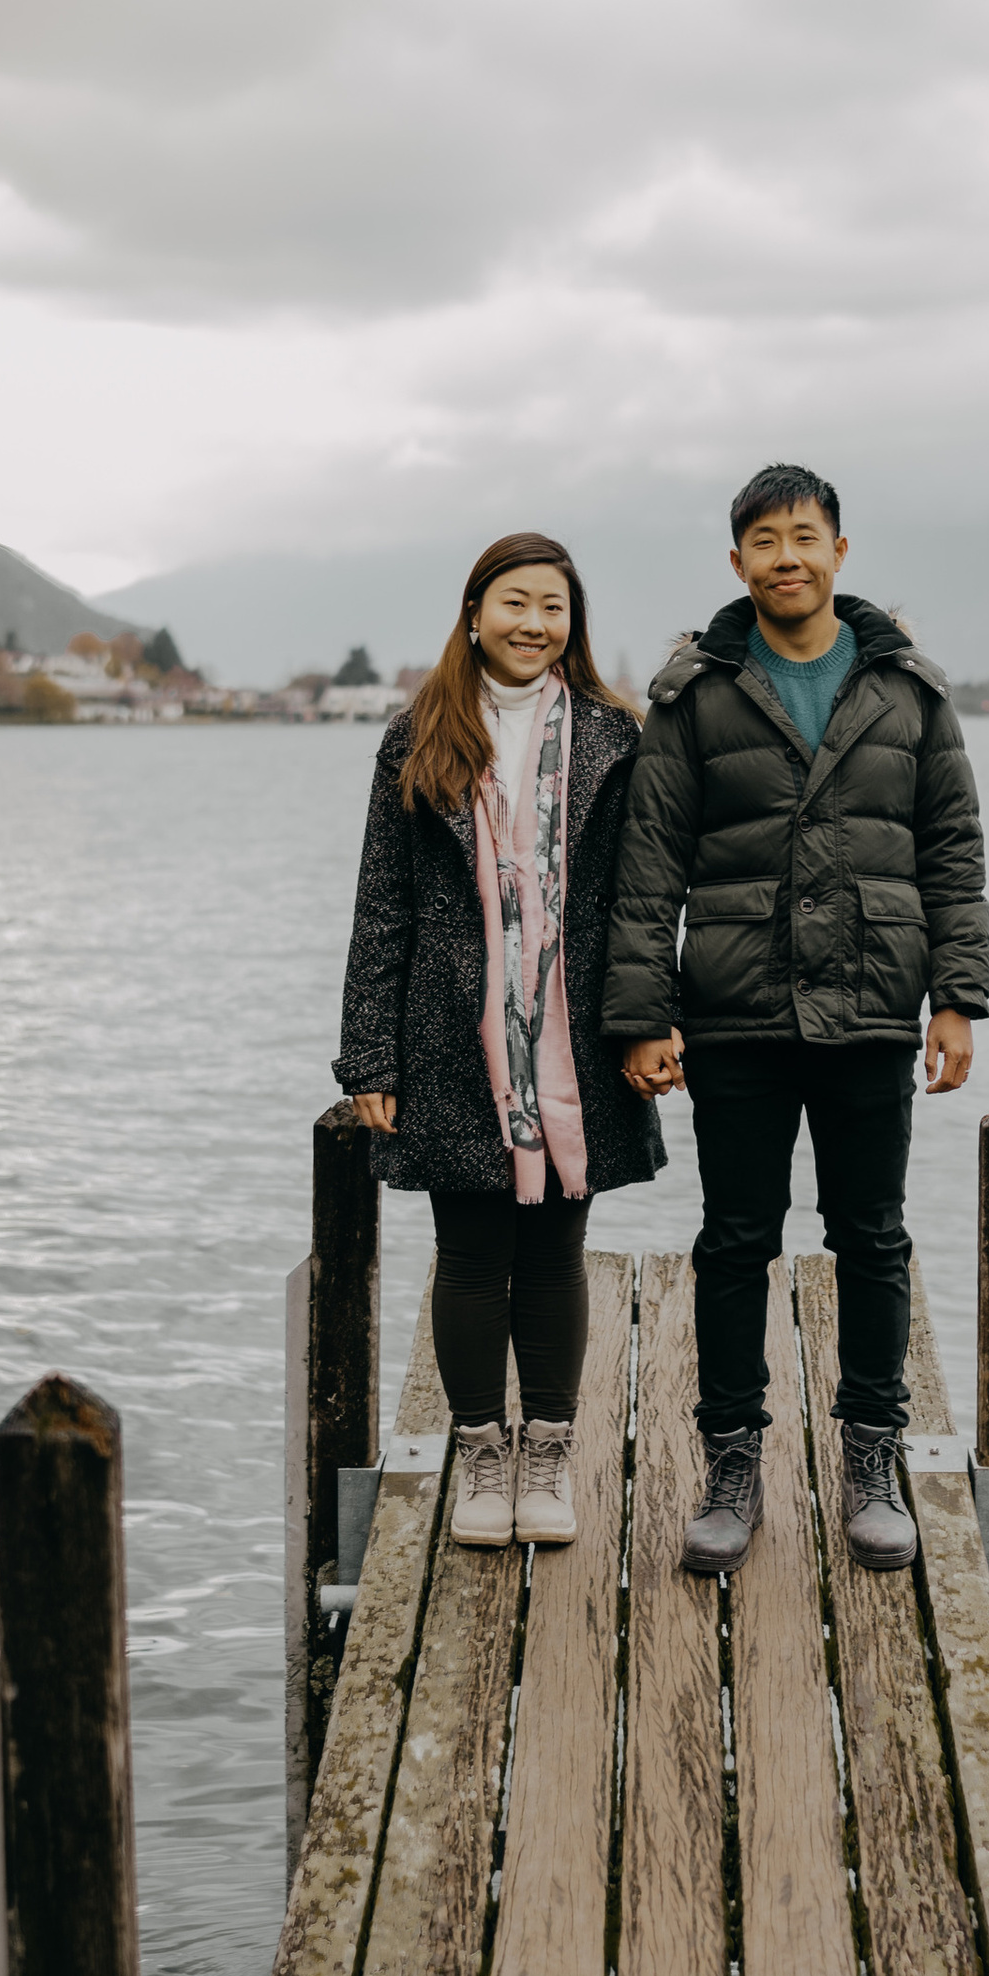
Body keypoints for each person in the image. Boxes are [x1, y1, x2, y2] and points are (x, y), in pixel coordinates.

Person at [603, 463, 989, 1578]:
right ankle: (733, 1465)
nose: (787, 556)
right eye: (764, 540)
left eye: (805, 536)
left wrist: (957, 997)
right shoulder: (695, 693)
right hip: (734, 1012)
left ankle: (873, 1460)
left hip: (873, 1002)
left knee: (870, 1237)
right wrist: (641, 1015)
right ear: (737, 563)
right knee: (736, 1239)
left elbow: (952, 853)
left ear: (839, 552)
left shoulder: (906, 688)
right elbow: (648, 867)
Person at [335, 533, 663, 1550]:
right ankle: (480, 1451)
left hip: (576, 1028)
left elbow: (650, 898)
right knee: (470, 1252)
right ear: (474, 613)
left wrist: (651, 1017)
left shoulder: (617, 735)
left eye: (553, 607)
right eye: (515, 603)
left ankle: (548, 1452)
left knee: (559, 1249)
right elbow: (381, 907)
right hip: (449, 1032)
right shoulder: (418, 736)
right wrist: (370, 1057)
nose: (534, 624)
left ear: (574, 623)